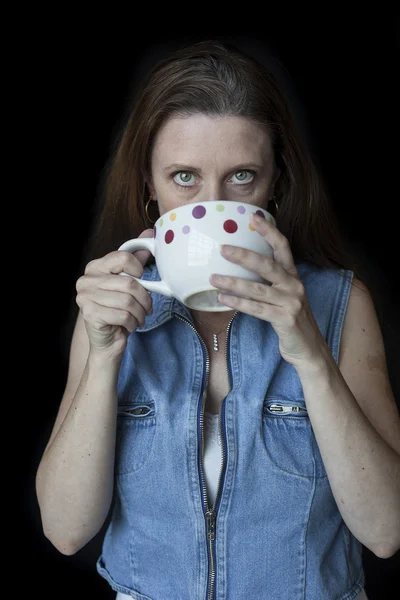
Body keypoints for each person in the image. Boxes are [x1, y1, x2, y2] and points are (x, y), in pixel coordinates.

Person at [35, 40, 400, 600]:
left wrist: (309, 355)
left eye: (241, 176)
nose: (213, 203)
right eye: (184, 177)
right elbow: (64, 531)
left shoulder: (340, 307)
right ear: (148, 190)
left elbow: (387, 532)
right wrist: (105, 354)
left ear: (275, 183)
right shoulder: (113, 308)